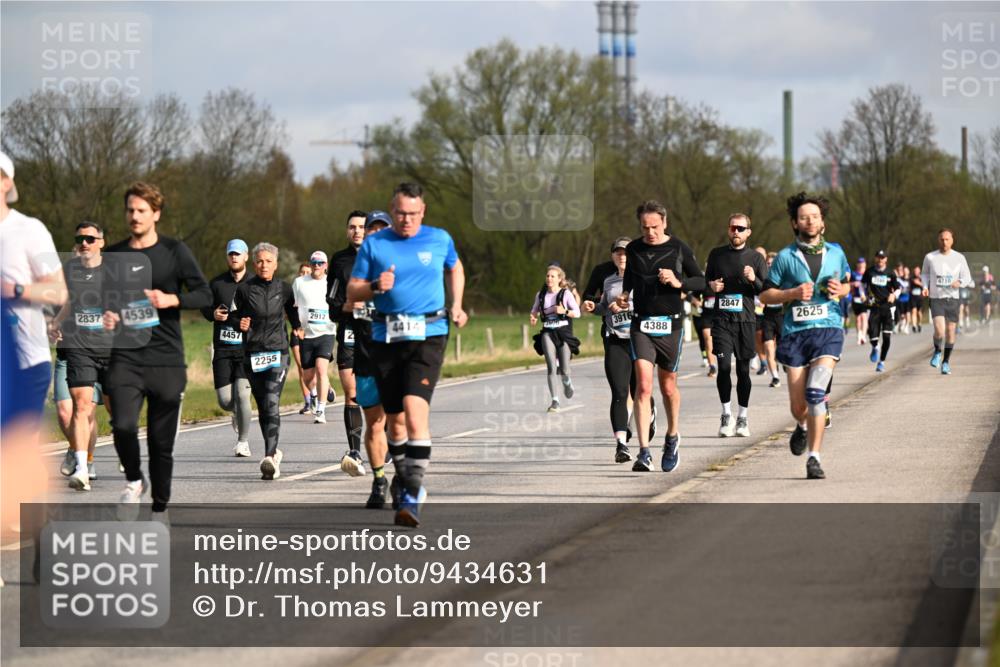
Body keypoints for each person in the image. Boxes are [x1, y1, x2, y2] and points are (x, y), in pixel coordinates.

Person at [347, 182, 468, 527]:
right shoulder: (375, 244)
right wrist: (373, 287)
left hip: (428, 334)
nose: (406, 220)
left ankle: (412, 496)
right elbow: (354, 289)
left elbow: (455, 268)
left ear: (423, 212)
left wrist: (456, 305)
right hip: (385, 336)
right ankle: (405, 478)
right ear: (392, 208)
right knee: (395, 422)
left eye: (413, 214)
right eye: (400, 213)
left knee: (415, 413)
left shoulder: (438, 238)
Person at [102, 181, 212, 517]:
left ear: (156, 214)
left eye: (142, 211)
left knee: (160, 445)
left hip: (165, 357)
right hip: (126, 355)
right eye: (130, 210)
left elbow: (205, 295)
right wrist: (107, 316)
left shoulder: (174, 252)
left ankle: (159, 503)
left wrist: (172, 299)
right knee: (122, 424)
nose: (134, 216)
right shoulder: (115, 255)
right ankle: (134, 479)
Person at [760, 192, 850, 480]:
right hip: (796, 334)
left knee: (815, 393)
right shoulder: (785, 257)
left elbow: (848, 284)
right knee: (799, 407)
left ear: (822, 221)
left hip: (829, 330)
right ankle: (801, 426)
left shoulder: (836, 252)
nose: (809, 221)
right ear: (794, 223)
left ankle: (814, 458)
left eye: (814, 216)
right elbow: (765, 294)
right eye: (803, 217)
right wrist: (791, 293)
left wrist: (841, 290)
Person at [616, 200, 705, 473]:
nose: (650, 232)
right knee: (643, 387)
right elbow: (630, 282)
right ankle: (644, 452)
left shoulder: (678, 248)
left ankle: (672, 436)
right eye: (645, 228)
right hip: (641, 325)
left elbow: (700, 281)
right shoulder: (634, 249)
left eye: (655, 227)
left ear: (664, 223)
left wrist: (679, 283)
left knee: (667, 387)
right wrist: (623, 296)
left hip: (671, 326)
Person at [0, 151, 67, 444]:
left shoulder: (28, 230)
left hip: (26, 361)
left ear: (6, 182)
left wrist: (15, 290)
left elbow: (59, 291)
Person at [231, 242, 302, 480]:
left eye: (268, 261)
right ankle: (273, 452)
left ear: (276, 264)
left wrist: (298, 329)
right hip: (252, 353)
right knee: (262, 406)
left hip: (278, 352)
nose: (264, 265)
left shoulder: (285, 288)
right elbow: (233, 316)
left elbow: (293, 314)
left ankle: (270, 456)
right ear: (254, 264)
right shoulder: (244, 290)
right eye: (260, 261)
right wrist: (238, 324)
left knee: (272, 400)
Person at [51, 223, 113, 489]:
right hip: (71, 351)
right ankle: (79, 458)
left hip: (104, 350)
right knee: (71, 411)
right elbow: (65, 304)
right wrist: (53, 324)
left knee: (88, 411)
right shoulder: (67, 274)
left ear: (101, 242)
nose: (84, 243)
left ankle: (85, 458)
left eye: (89, 238)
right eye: (79, 239)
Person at [585, 236, 656, 463]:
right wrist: (594, 307)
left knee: (641, 391)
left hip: (640, 339)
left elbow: (655, 306)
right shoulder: (608, 281)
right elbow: (603, 308)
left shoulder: (644, 277)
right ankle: (621, 445)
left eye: (625, 252)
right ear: (612, 256)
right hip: (616, 340)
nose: (622, 256)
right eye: (618, 252)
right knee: (619, 392)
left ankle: (650, 414)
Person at [705, 214, 768, 438]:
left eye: (741, 228)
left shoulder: (756, 258)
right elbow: (706, 283)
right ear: (728, 229)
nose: (736, 232)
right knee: (722, 367)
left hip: (746, 321)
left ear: (748, 232)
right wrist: (711, 285)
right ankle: (725, 415)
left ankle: (742, 418)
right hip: (722, 320)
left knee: (743, 371)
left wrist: (753, 279)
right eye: (733, 227)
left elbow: (765, 291)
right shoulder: (716, 254)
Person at [350, 211, 396, 506]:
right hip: (366, 355)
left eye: (382, 229)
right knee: (374, 424)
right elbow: (341, 304)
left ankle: (403, 477)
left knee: (398, 422)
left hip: (396, 354)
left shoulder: (402, 264)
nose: (375, 234)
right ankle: (379, 481)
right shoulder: (354, 268)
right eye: (371, 229)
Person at [202, 239, 253, 457]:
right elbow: (204, 306)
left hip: (246, 349)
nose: (234, 257)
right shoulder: (216, 284)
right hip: (222, 348)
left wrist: (251, 323)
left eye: (238, 254)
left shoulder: (255, 283)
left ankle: (243, 442)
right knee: (225, 401)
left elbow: (265, 312)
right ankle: (236, 414)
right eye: (231, 254)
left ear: (246, 257)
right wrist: (212, 314)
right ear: (227, 257)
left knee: (242, 395)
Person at [328, 210, 369, 475]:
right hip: (349, 331)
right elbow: (331, 304)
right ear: (347, 231)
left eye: (361, 227)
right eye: (352, 227)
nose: (357, 231)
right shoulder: (339, 260)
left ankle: (387, 441)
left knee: (378, 394)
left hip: (377, 332)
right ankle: (355, 452)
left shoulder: (382, 256)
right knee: (351, 392)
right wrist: (347, 306)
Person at [292, 250, 337, 424]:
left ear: (326, 266)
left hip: (327, 332)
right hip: (307, 334)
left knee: (321, 369)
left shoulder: (331, 282)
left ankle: (321, 410)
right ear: (310, 265)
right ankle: (319, 392)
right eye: (313, 263)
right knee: (308, 377)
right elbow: (293, 307)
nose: (316, 266)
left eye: (320, 263)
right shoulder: (299, 282)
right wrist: (297, 327)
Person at [921, 228, 974, 375]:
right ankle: (937, 351)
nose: (944, 242)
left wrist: (960, 282)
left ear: (952, 240)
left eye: (947, 239)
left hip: (953, 299)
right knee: (939, 330)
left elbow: (967, 277)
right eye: (941, 239)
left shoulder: (959, 258)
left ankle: (946, 362)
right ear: (938, 240)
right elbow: (924, 274)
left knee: (951, 332)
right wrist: (925, 287)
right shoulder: (930, 257)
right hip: (936, 298)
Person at [530, 264, 581, 412]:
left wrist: (564, 310)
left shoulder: (565, 294)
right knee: (552, 367)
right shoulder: (540, 295)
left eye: (553, 276)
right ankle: (555, 401)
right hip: (547, 331)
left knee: (564, 369)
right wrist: (533, 317)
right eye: (547, 276)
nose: (549, 278)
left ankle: (567, 382)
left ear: (559, 279)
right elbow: (534, 310)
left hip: (563, 332)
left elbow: (577, 313)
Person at [862, 250, 900, 373]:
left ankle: (881, 362)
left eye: (882, 258)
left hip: (887, 308)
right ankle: (875, 347)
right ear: (875, 259)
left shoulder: (890, 273)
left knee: (887, 337)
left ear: (886, 259)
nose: (880, 260)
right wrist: (863, 296)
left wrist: (894, 295)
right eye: (878, 258)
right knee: (873, 336)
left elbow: (898, 288)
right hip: (874, 307)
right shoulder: (869, 272)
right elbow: (862, 285)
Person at [292, 262, 313, 413]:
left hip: (313, 332)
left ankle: (321, 391)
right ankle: (308, 402)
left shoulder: (317, 289)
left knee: (314, 368)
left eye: (307, 272)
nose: (304, 274)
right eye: (302, 272)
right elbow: (288, 310)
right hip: (296, 332)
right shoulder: (295, 289)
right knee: (301, 368)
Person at [761, 252, 783, 388]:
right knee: (768, 347)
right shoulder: (763, 279)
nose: (769, 266)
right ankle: (775, 377)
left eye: (772, 264)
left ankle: (782, 363)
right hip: (768, 317)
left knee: (781, 349)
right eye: (767, 263)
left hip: (781, 316)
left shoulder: (784, 278)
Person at [849, 257, 869, 345]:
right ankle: (859, 334)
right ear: (857, 265)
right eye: (859, 263)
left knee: (864, 317)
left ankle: (863, 336)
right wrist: (854, 284)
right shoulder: (853, 274)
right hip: (856, 298)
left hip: (864, 298)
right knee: (858, 319)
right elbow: (847, 284)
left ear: (865, 264)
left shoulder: (868, 274)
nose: (861, 265)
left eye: (863, 263)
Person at [910, 265, 925, 333]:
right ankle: (914, 325)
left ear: (919, 271)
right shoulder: (911, 278)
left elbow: (925, 286)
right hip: (913, 297)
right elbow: (910, 283)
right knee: (914, 311)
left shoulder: (922, 278)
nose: (916, 272)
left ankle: (919, 324)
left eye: (917, 271)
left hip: (920, 298)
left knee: (919, 312)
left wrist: (919, 283)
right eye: (915, 271)